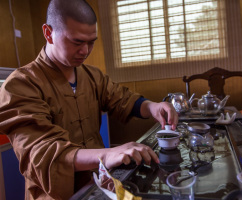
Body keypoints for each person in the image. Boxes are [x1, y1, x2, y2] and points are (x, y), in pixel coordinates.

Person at [0, 0, 178, 199]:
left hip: (98, 184)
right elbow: (43, 151)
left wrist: (151, 106)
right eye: (76, 41)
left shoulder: (92, 76)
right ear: (48, 33)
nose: (85, 51)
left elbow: (122, 99)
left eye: (91, 41)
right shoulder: (20, 85)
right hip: (53, 193)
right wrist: (107, 154)